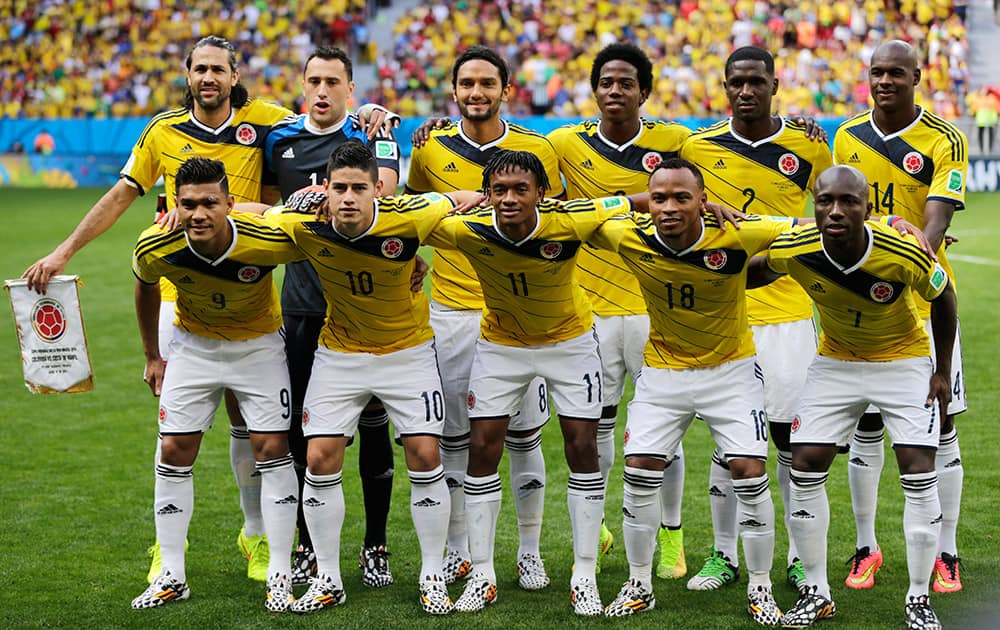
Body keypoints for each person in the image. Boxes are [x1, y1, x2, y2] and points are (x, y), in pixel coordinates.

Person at [21, 35, 295, 583]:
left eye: (219, 69)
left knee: (251, 425)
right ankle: (167, 553)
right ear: (187, 73)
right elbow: (122, 195)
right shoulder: (161, 130)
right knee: (176, 433)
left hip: (251, 301)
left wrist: (370, 116)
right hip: (178, 302)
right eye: (200, 69)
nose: (209, 78)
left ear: (235, 75)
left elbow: (322, 129)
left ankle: (256, 535)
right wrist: (64, 250)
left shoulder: (267, 121)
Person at [422, 150, 655, 617]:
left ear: (542, 194)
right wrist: (452, 199)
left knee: (582, 446)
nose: (509, 199)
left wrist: (703, 205)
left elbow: (635, 201)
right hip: (500, 345)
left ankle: (583, 574)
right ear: (487, 195)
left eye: (520, 190)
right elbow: (404, 217)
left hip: (569, 344)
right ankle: (483, 573)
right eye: (499, 190)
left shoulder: (569, 220)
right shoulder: (467, 228)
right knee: (482, 447)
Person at [263, 140, 482, 616]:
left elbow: (464, 197)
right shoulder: (306, 223)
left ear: (376, 190)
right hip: (339, 354)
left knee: (425, 454)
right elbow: (248, 213)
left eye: (358, 188)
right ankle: (328, 578)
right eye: (338, 187)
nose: (347, 197)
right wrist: (286, 203)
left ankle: (431, 575)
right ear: (324, 188)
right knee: (319, 459)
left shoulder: (409, 217)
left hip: (407, 353)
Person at [755, 165, 957, 630]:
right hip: (836, 362)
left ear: (869, 208)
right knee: (803, 462)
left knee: (917, 468)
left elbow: (944, 301)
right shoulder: (795, 247)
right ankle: (817, 592)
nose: (836, 210)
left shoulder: (902, 251)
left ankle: (918, 597)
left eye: (848, 201)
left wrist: (942, 371)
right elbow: (752, 272)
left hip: (902, 361)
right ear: (814, 205)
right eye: (825, 201)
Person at [589, 158, 789, 624]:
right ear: (648, 203)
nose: (669, 207)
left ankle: (760, 588)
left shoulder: (738, 232)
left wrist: (892, 225)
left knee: (748, 470)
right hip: (662, 374)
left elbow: (811, 223)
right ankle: (639, 583)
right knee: (639, 468)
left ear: (704, 201)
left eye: (683, 198)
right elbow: (574, 215)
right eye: (659, 198)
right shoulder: (628, 234)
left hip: (731, 372)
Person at [406, 46, 564, 589]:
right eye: (466, 84)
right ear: (454, 92)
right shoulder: (430, 149)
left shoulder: (536, 148)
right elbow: (409, 215)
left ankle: (528, 550)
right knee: (454, 438)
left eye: (486, 83)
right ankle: (459, 551)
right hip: (450, 313)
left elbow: (558, 224)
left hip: (519, 317)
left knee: (523, 439)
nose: (476, 93)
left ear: (506, 89)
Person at [679, 46, 833, 594]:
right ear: (724, 86)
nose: (746, 91)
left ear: (774, 83)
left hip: (789, 314)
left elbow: (833, 211)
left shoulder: (808, 144)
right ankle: (723, 557)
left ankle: (796, 555)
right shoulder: (696, 145)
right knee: (729, 445)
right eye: (736, 83)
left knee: (793, 444)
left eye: (756, 82)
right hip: (727, 315)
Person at [547, 42, 692, 580]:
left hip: (659, 311)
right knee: (596, 427)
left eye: (625, 83)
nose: (614, 91)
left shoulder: (675, 141)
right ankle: (603, 526)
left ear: (644, 91)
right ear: (594, 89)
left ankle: (672, 536)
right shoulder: (564, 144)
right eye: (606, 82)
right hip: (591, 313)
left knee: (664, 431)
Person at [130, 157, 300, 611]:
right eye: (188, 204)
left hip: (258, 348)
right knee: (173, 449)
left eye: (209, 202)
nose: (199, 213)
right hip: (193, 348)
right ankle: (171, 572)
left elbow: (327, 251)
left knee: (270, 448)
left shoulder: (266, 239)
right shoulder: (156, 246)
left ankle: (280, 572)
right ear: (174, 206)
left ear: (230, 203)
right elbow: (145, 286)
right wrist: (152, 354)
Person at [833, 40, 968, 594]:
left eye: (896, 72)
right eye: (876, 72)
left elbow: (932, 226)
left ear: (918, 75)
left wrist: (909, 260)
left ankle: (947, 552)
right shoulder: (846, 135)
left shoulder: (944, 138)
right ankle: (866, 546)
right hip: (857, 303)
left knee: (942, 426)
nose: (884, 81)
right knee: (865, 425)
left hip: (926, 296)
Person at [263, 46, 400, 589]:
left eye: (333, 82)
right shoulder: (280, 140)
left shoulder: (375, 130)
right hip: (302, 307)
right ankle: (303, 541)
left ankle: (375, 544)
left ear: (350, 88)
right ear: (302, 85)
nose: (322, 91)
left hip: (365, 309)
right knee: (304, 432)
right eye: (313, 81)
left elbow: (386, 191)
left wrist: (321, 192)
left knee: (371, 429)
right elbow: (266, 209)